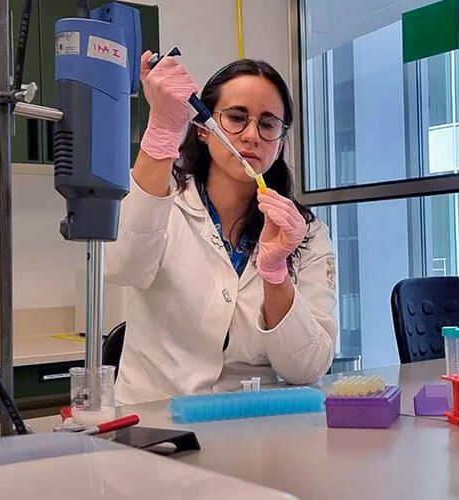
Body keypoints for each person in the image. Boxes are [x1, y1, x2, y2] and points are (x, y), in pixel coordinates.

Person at [105, 50, 337, 404]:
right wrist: (162, 130)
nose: (252, 135)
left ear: (281, 143)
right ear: (203, 129)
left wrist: (276, 276)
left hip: (254, 421)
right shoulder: (164, 201)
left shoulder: (303, 232)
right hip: (158, 420)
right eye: (236, 118)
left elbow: (308, 368)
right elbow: (122, 266)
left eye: (268, 124)